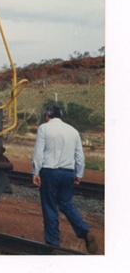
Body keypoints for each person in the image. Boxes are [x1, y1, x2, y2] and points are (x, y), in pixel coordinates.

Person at [31, 104, 98, 253]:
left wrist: (35, 172)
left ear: (47, 115)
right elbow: (79, 156)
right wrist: (79, 174)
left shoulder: (44, 128)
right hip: (68, 173)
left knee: (49, 205)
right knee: (66, 204)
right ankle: (84, 231)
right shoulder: (73, 131)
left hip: (49, 172)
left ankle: (52, 242)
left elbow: (38, 152)